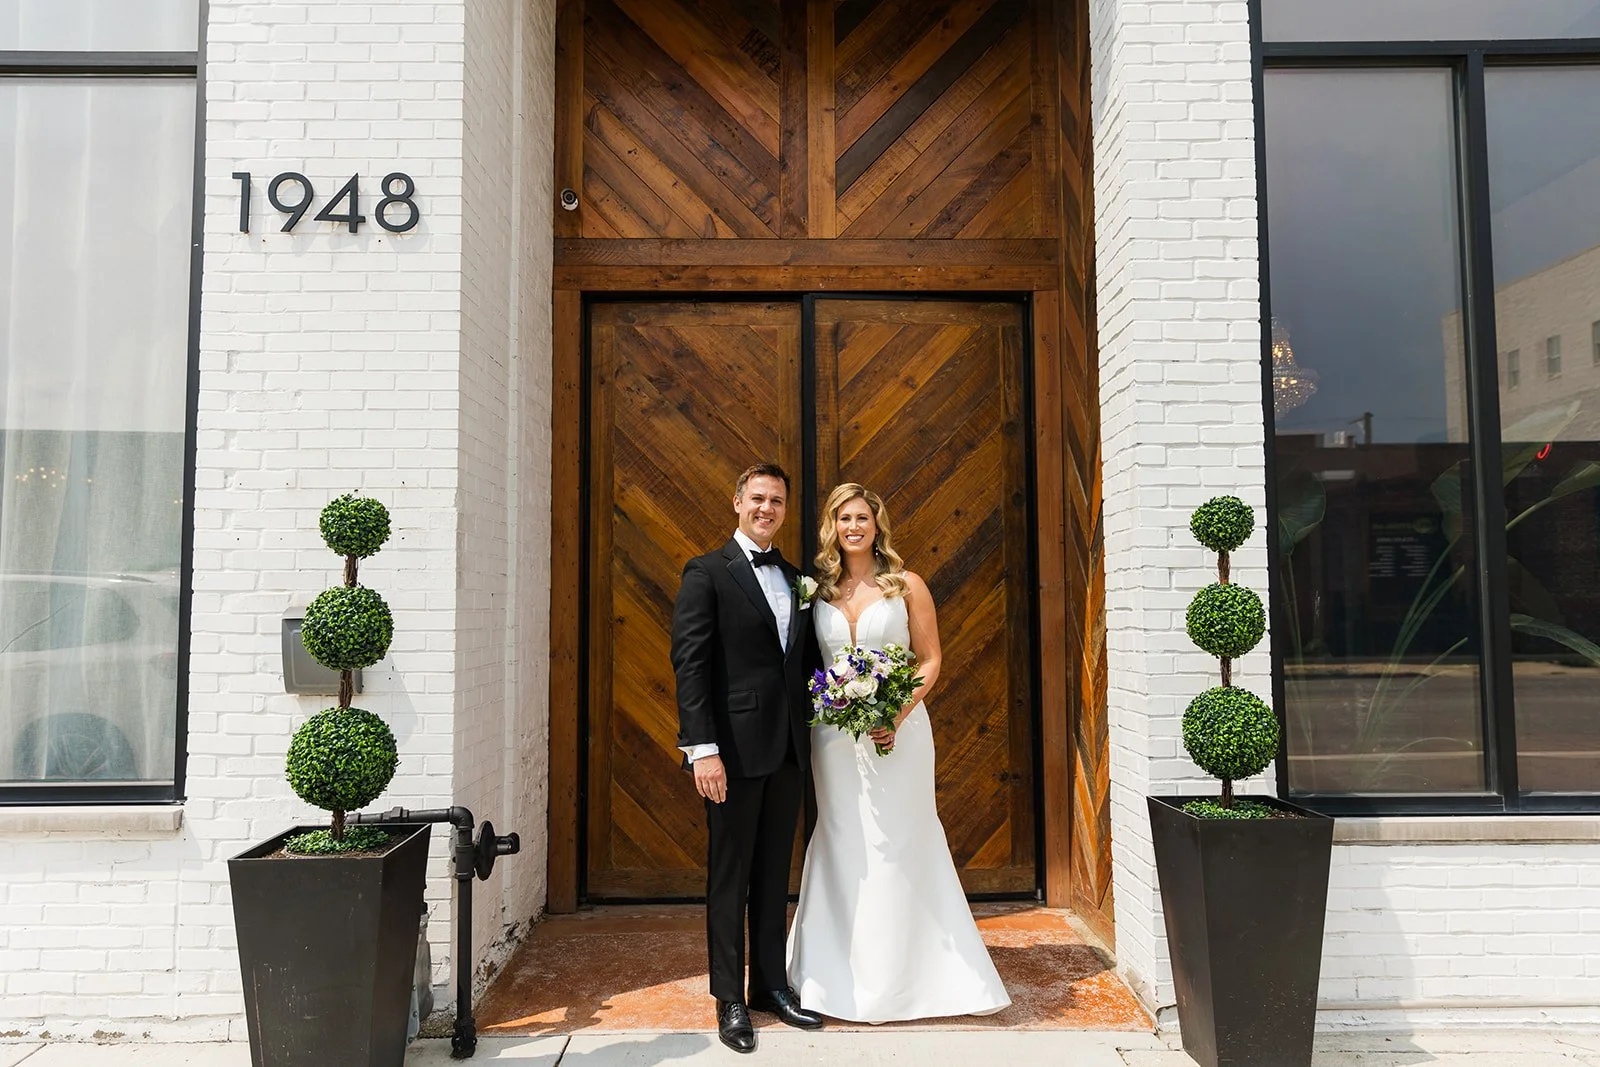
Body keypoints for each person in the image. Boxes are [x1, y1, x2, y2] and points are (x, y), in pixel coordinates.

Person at [786, 482, 1010, 1023]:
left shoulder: (906, 585)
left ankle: (917, 974)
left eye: (862, 517)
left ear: (877, 524)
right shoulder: (817, 588)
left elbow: (930, 660)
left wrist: (895, 713)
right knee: (843, 839)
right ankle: (830, 972)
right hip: (835, 738)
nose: (853, 527)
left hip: (899, 734)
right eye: (844, 518)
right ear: (832, 528)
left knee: (900, 838)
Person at [671, 462, 825, 1053]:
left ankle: (769, 986)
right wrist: (702, 750)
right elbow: (690, 665)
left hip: (788, 749)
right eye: (757, 498)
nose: (767, 509)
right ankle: (729, 999)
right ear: (736, 502)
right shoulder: (706, 572)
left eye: (777, 501)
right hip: (730, 754)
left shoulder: (795, 576)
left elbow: (804, 663)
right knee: (729, 878)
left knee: (772, 876)